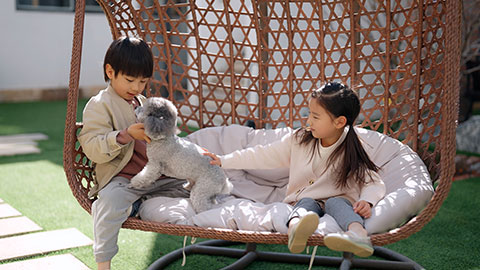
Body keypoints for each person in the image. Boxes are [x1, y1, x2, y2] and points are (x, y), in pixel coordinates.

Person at [205, 82, 386, 257]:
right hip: (304, 200)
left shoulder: (352, 148)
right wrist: (223, 160)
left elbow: (372, 181)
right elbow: (262, 154)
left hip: (339, 201)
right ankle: (296, 232)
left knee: (337, 203)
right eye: (309, 114)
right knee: (304, 205)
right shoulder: (300, 140)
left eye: (315, 117)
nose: (309, 121)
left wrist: (367, 201)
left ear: (339, 122)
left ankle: (358, 235)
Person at [78, 36, 189, 270]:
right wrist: (125, 134)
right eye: (130, 80)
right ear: (110, 71)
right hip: (123, 179)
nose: (136, 88)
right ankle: (103, 264)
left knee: (193, 178)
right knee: (109, 202)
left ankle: (139, 203)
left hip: (154, 176)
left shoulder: (142, 100)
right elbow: (92, 146)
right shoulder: (100, 104)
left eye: (143, 81)